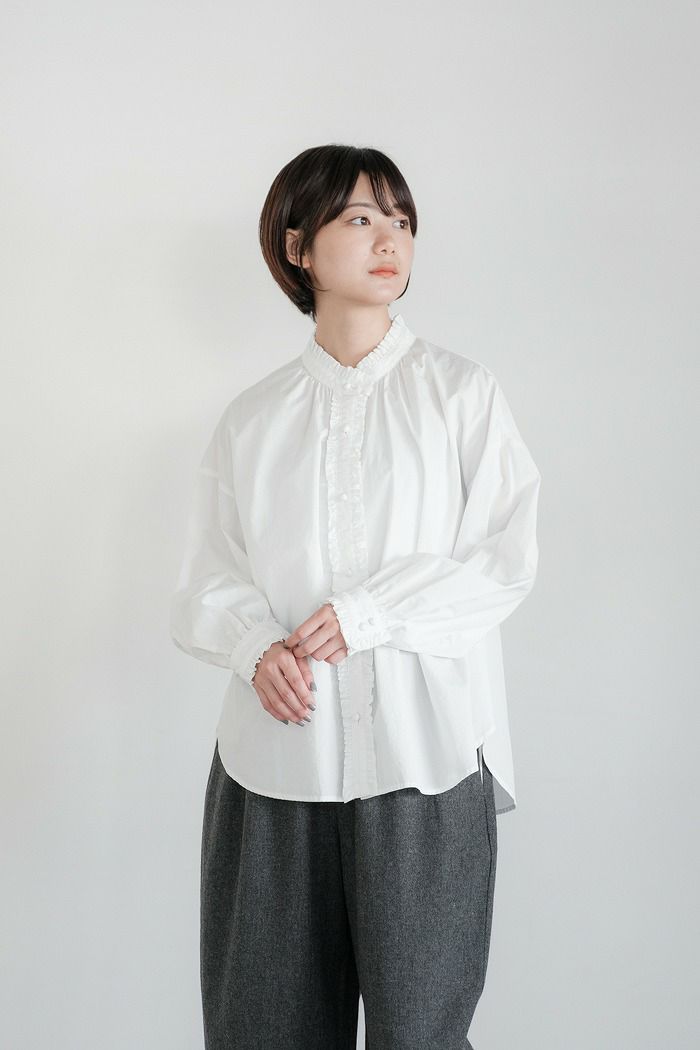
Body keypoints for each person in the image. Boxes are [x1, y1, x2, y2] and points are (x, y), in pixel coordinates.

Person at [170, 143, 541, 1050]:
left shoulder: (461, 395)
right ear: (298, 245)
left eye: (402, 221)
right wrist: (254, 646)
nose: (391, 240)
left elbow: (504, 557)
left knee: (421, 1035)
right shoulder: (253, 419)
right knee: (263, 1031)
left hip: (426, 760)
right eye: (361, 218)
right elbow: (205, 576)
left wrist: (372, 614)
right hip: (274, 769)